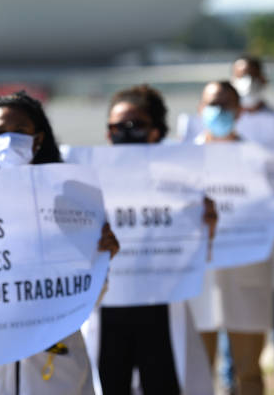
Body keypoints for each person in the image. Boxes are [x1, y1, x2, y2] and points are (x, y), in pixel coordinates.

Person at [0, 90, 120, 395]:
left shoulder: (70, 204)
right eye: (1, 132)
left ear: (38, 138)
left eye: (20, 131)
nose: (10, 139)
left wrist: (101, 260)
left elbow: (88, 296)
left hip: (56, 362)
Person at [101, 84, 217, 395]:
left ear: (155, 131)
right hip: (108, 310)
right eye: (117, 127)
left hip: (159, 307)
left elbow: (196, 252)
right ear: (107, 133)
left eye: (135, 124)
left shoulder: (180, 183)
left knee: (163, 383)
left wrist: (205, 222)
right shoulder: (90, 181)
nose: (125, 132)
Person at [188, 80, 274, 395]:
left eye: (226, 104)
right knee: (197, 374)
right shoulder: (182, 160)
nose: (219, 111)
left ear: (240, 110)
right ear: (200, 109)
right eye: (212, 104)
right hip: (198, 280)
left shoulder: (261, 161)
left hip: (246, 273)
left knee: (249, 375)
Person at [212, 57, 274, 395]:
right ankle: (228, 380)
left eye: (251, 75)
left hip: (265, 240)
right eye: (240, 76)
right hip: (224, 248)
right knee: (224, 316)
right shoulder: (203, 141)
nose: (246, 81)